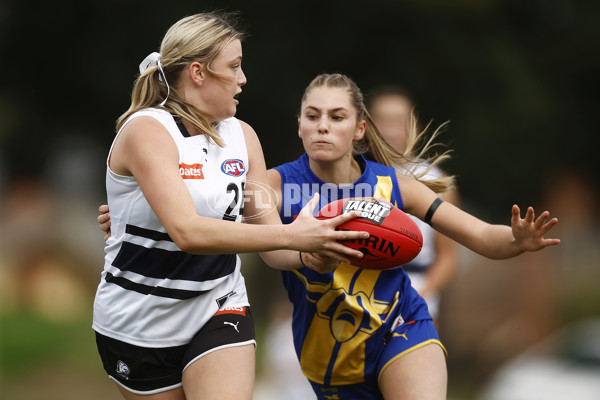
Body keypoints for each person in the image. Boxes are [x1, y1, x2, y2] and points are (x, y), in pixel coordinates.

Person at [98, 73, 560, 399]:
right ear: (299, 125)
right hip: (329, 352)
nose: (323, 124)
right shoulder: (274, 186)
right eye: (313, 115)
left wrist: (515, 241)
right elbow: (215, 220)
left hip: (401, 325)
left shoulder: (393, 185)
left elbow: (479, 236)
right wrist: (127, 213)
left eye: (337, 116)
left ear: (359, 129)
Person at [92, 14, 369, 400]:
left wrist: (310, 253)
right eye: (234, 67)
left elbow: (272, 243)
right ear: (198, 73)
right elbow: (187, 232)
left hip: (218, 305)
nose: (243, 79)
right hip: (138, 321)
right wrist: (293, 235)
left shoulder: (242, 136)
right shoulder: (147, 130)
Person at [367, 85, 460, 326]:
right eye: (382, 120)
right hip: (361, 290)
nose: (390, 130)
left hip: (417, 288)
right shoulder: (351, 177)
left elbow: (447, 258)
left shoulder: (438, 182)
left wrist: (421, 295)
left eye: (399, 121)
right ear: (365, 127)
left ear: (415, 126)